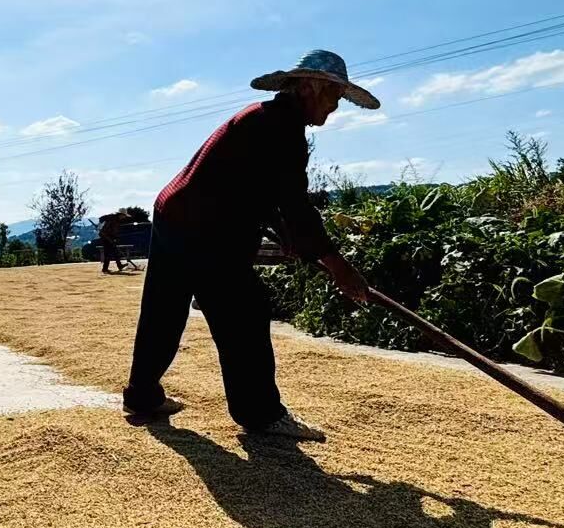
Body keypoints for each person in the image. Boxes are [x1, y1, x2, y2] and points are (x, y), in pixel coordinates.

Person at [123, 49, 376, 442]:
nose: (334, 107)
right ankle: (261, 414)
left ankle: (141, 396)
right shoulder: (281, 128)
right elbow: (294, 202)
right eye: (333, 97)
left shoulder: (266, 118)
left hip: (174, 212)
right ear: (310, 87)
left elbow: (265, 193)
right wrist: (337, 263)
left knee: (164, 307)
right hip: (202, 226)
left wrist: (294, 239)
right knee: (245, 311)